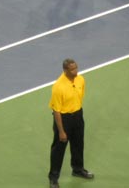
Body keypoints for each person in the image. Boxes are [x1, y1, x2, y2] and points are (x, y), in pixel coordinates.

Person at [48, 58, 94, 188]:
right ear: (65, 70)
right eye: (72, 69)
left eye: (76, 68)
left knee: (78, 144)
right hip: (63, 119)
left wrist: (77, 113)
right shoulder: (58, 87)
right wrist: (61, 131)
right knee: (59, 149)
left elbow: (80, 97)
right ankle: (53, 177)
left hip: (78, 116)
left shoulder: (81, 80)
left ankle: (78, 169)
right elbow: (56, 111)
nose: (76, 71)